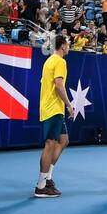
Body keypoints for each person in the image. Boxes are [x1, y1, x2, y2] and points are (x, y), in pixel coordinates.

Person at [35, 35, 74, 198]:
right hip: (53, 108)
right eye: (68, 44)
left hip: (52, 107)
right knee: (50, 143)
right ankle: (41, 185)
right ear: (63, 46)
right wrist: (69, 104)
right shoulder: (59, 61)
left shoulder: (50, 60)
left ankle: (48, 177)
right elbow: (59, 85)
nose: (69, 46)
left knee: (63, 140)